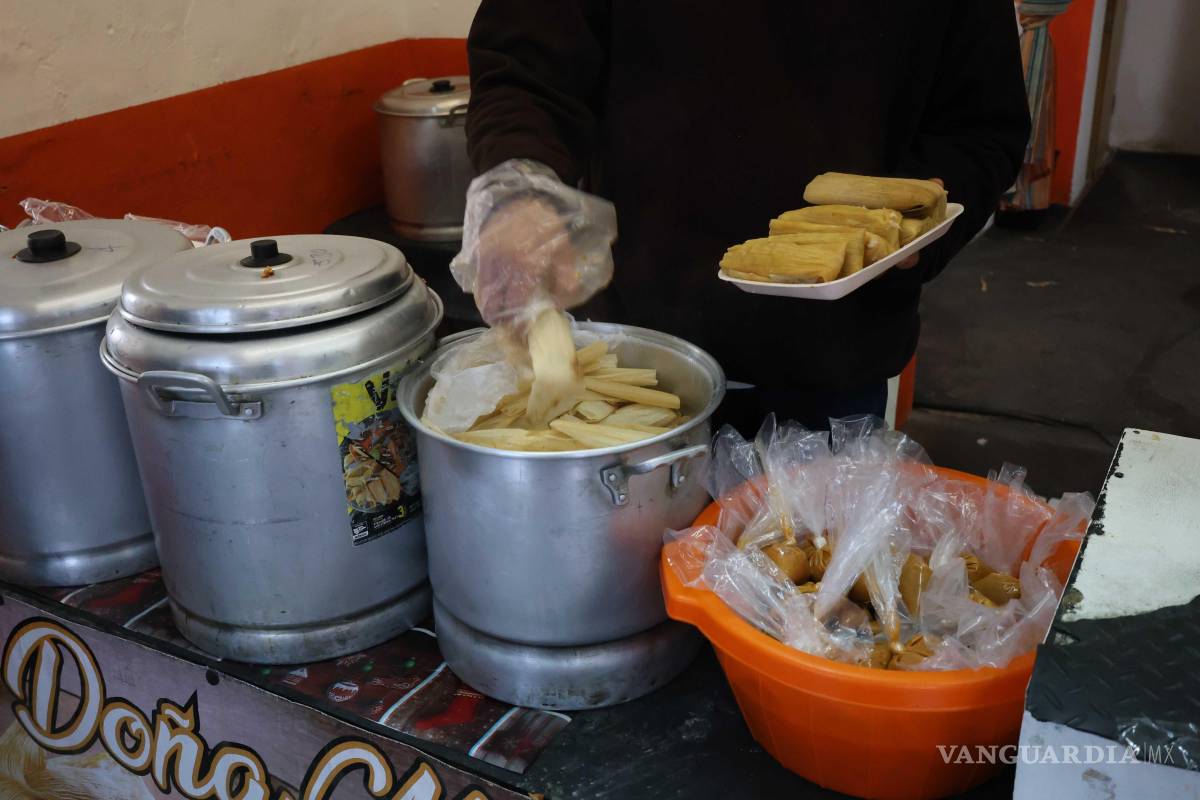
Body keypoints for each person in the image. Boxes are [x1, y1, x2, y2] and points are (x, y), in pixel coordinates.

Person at [456, 1, 1031, 433]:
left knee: (818, 583)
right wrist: (519, 186)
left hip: (835, 362)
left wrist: (916, 225)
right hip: (629, 363)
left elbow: (981, 128)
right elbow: (526, 69)